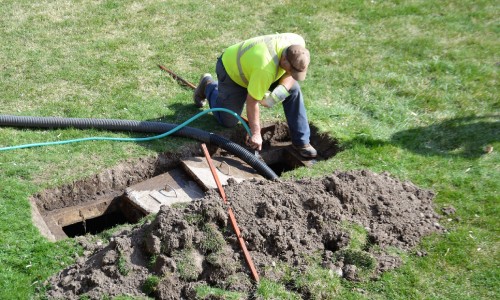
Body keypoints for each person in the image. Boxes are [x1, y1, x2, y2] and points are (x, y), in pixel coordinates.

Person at [193, 33, 317, 158]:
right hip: (232, 71)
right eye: (291, 70)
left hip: (254, 68)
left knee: (293, 90)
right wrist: (256, 134)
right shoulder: (265, 68)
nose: (292, 74)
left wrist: (277, 95)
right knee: (228, 120)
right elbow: (252, 102)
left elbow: (290, 77)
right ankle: (208, 85)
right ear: (284, 59)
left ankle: (301, 142)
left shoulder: (298, 44)